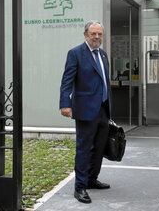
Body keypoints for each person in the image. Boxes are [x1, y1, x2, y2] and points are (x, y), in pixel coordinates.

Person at [59, 21, 111, 204]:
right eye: (93, 34)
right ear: (85, 35)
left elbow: (105, 82)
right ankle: (80, 187)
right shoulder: (76, 53)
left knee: (99, 147)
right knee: (84, 149)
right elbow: (67, 80)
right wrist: (65, 104)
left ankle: (91, 179)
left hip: (103, 109)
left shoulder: (103, 54)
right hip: (85, 109)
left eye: (99, 34)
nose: (97, 37)